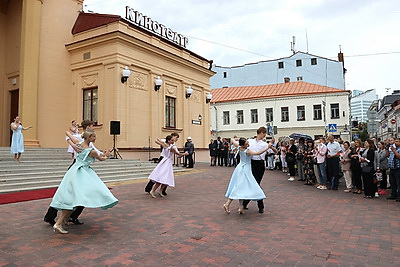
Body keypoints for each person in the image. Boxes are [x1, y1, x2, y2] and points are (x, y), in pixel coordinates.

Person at [50, 130, 118, 234]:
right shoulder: (92, 151)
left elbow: (67, 133)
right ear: (88, 137)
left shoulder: (78, 144)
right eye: (93, 136)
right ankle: (58, 223)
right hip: (82, 173)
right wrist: (107, 155)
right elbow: (102, 159)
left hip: (73, 171)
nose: (95, 138)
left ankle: (63, 221)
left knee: (72, 198)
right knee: (75, 199)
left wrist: (72, 144)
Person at [44, 120, 97, 226]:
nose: (93, 128)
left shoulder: (89, 141)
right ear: (87, 128)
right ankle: (53, 216)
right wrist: (72, 145)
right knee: (66, 192)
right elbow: (67, 134)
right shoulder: (79, 137)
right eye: (91, 126)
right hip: (76, 167)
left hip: (83, 169)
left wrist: (104, 154)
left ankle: (71, 216)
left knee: (82, 192)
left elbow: (96, 151)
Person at [223, 138, 268, 214]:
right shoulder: (247, 151)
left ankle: (240, 208)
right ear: (243, 145)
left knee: (241, 188)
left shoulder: (239, 147)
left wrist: (237, 139)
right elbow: (258, 153)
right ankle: (227, 204)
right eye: (247, 144)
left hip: (240, 168)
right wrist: (267, 147)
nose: (248, 145)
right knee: (238, 187)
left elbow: (233, 140)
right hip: (245, 169)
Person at [242, 127, 268, 213]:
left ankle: (246, 203)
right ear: (260, 132)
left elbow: (272, 151)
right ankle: (259, 205)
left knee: (256, 184)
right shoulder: (251, 141)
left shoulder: (264, 144)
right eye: (264, 133)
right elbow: (243, 144)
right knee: (254, 184)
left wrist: (270, 147)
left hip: (260, 164)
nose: (264, 135)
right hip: (252, 163)